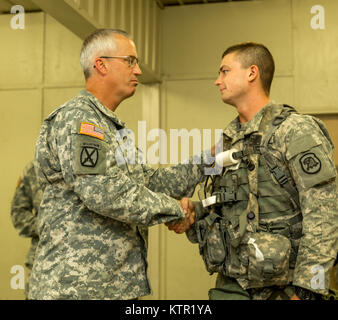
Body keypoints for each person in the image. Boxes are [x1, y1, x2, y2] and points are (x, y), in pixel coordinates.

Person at [28, 29, 211, 300]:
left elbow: (148, 183)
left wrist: (208, 162)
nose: (137, 71)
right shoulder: (80, 120)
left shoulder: (112, 128)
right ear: (100, 64)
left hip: (110, 288)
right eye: (130, 61)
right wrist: (175, 210)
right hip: (76, 289)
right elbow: (104, 191)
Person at [168, 42, 338, 300]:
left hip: (285, 290)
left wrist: (307, 292)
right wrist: (195, 213)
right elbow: (228, 207)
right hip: (232, 286)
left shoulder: (295, 130)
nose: (217, 81)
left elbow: (324, 215)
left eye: (224, 71)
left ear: (252, 73)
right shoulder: (228, 142)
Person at [10, 160, 45, 297]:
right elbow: (18, 213)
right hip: (41, 263)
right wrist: (45, 227)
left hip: (83, 265)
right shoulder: (34, 169)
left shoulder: (86, 166)